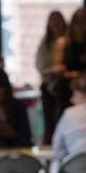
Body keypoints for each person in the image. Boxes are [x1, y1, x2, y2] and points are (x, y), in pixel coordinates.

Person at [52, 7, 86, 124]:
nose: (80, 27)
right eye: (77, 22)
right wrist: (75, 74)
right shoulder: (62, 43)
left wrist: (72, 74)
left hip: (84, 88)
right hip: (66, 88)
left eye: (84, 23)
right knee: (64, 120)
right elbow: (59, 68)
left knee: (85, 121)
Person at [35, 11, 67, 145]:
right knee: (49, 121)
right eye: (53, 21)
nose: (56, 24)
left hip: (64, 86)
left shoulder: (68, 41)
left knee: (62, 118)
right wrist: (53, 70)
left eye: (58, 21)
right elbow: (40, 65)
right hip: (49, 85)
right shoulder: (45, 43)